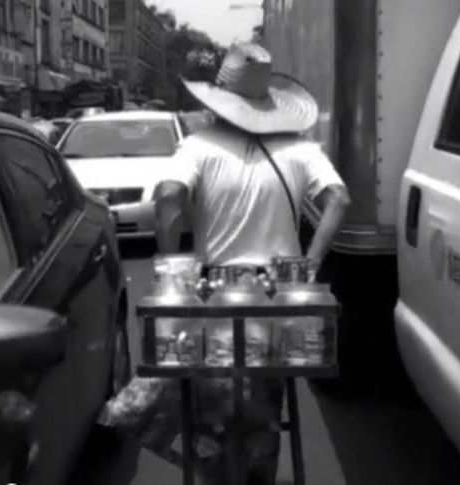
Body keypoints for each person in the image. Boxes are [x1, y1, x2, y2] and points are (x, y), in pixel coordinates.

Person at [154, 42, 350, 485]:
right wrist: (309, 264)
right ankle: (259, 471)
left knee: (212, 400)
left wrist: (170, 263)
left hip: (214, 292)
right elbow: (339, 199)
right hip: (276, 292)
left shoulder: (198, 147)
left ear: (216, 103)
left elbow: (167, 196)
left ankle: (217, 469)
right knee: (265, 400)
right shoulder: (301, 149)